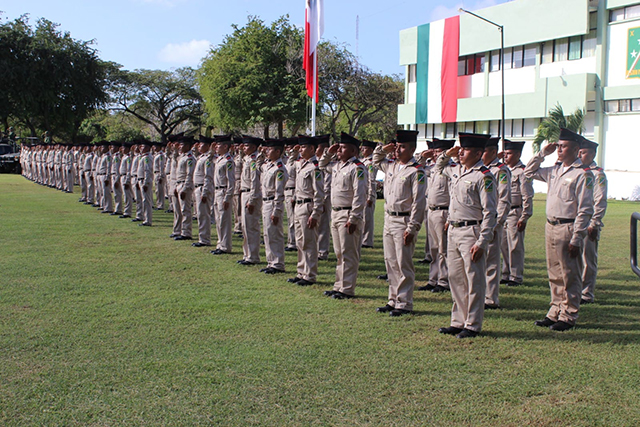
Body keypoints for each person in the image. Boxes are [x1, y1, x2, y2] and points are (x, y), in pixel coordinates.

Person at [525, 128, 594, 332]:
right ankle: (555, 310)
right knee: (554, 272)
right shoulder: (554, 170)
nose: (559, 150)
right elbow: (528, 172)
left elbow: (585, 208)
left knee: (570, 273)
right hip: (551, 226)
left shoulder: (582, 174)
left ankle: (569, 314)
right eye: (558, 146)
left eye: (563, 147)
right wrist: (542, 154)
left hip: (568, 227)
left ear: (575, 149)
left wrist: (577, 237)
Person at [435, 132, 497, 338]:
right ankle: (458, 320)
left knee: (473, 279)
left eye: (466, 149)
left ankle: (472, 324)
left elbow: (490, 212)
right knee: (455, 277)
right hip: (452, 230)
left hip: (472, 231)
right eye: (461, 148)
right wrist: (447, 153)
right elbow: (437, 168)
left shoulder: (484, 176)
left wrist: (482, 241)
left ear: (479, 153)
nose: (461, 152)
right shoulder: (456, 171)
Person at [373, 130, 426, 316]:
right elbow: (375, 160)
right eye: (397, 146)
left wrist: (413, 227)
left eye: (402, 146)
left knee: (404, 263)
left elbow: (419, 203)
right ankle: (393, 299)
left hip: (404, 220)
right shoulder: (391, 166)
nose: (398, 150)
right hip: (389, 218)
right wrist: (383, 148)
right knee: (391, 262)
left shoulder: (417, 171)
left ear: (412, 149)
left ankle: (404, 303)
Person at [319, 132, 368, 299]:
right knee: (339, 253)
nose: (339, 149)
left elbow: (359, 195)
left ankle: (347, 289)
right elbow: (321, 164)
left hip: (348, 213)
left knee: (349, 253)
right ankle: (339, 285)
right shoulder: (337, 166)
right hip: (336, 212)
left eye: (343, 147)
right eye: (338, 147)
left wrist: (354, 217)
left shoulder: (358, 168)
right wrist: (329, 152)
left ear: (353, 150)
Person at [417, 138, 455, 293]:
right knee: (433, 249)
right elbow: (417, 166)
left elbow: (454, 195)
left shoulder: (452, 169)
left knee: (443, 249)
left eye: (439, 152)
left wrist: (450, 217)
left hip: (443, 212)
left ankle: (444, 281)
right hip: (431, 211)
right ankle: (433, 279)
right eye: (435, 152)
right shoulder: (433, 169)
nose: (436, 155)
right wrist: (424, 156)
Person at [287, 135, 325, 286]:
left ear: (311, 149)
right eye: (300, 147)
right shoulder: (300, 164)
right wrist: (293, 153)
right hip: (299, 206)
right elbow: (289, 168)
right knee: (300, 241)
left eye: (303, 147)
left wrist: (315, 213)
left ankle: (309, 274)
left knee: (309, 241)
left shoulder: (315, 167)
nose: (301, 150)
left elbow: (319, 193)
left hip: (308, 206)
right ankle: (301, 271)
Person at [500, 140, 534, 287]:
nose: (505, 156)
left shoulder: (522, 172)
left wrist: (524, 216)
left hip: (515, 211)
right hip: (503, 212)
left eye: (509, 154)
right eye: (505, 153)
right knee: (503, 245)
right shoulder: (503, 170)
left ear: (518, 154)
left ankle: (516, 276)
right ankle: (506, 273)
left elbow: (527, 195)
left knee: (515, 246)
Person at [482, 137, 511, 310]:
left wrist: (496, 223)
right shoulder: (480, 170)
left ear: (493, 152)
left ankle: (491, 298)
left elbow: (504, 200)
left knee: (491, 261)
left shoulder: (501, 171)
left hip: (492, 223)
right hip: (479, 221)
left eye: (484, 151)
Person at [578, 136, 607, 304]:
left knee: (588, 259)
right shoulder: (578, 172)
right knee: (575, 259)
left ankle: (587, 293)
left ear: (593, 154)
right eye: (579, 152)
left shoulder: (598, 174)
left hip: (589, 222)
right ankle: (576, 289)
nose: (580, 155)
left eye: (584, 152)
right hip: (576, 222)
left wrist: (595, 222)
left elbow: (600, 200)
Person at [259, 139, 289, 274]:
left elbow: (279, 191)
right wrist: (260, 153)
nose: (266, 151)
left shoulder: (280, 169)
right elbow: (257, 165)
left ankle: (277, 263)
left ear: (278, 151)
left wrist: (276, 210)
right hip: (265, 202)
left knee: (274, 233)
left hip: (273, 203)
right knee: (267, 234)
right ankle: (270, 261)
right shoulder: (267, 166)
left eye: (269, 149)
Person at [238, 136, 263, 265]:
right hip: (244, 193)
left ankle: (253, 256)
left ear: (253, 147)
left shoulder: (254, 160)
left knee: (251, 226)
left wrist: (252, 200)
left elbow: (255, 181)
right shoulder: (247, 159)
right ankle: (247, 254)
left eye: (246, 146)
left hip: (250, 194)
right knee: (245, 226)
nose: (244, 148)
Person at [211, 135, 236, 255]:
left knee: (224, 221)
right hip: (217, 192)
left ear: (226, 146)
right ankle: (220, 244)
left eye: (218, 145)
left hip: (223, 191)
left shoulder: (228, 161)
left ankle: (225, 246)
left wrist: (227, 197)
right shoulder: (219, 159)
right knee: (218, 219)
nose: (216, 147)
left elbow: (231, 181)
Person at [192, 136, 215, 247]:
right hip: (197, 187)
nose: (199, 146)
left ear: (208, 146)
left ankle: (205, 239)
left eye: (202, 144)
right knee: (200, 214)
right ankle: (202, 237)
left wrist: (205, 192)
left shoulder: (208, 159)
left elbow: (208, 176)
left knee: (204, 215)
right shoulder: (201, 157)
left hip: (202, 188)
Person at [173, 135, 196, 240]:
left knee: (185, 210)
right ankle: (178, 230)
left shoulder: (190, 158)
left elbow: (189, 174)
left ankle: (186, 232)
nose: (179, 146)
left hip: (184, 185)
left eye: (181, 144)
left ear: (187, 146)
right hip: (179, 183)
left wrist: (185, 188)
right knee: (178, 209)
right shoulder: (181, 156)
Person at [316, 135, 332, 261]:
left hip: (325, 197)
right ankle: (316, 249)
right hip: (316, 197)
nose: (316, 150)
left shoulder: (330, 163)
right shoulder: (317, 161)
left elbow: (327, 183)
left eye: (318, 147)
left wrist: (324, 200)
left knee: (323, 225)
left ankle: (322, 251)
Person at [360, 139, 378, 249]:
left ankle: (367, 241)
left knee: (367, 219)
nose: (362, 149)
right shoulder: (363, 161)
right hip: (362, 192)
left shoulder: (371, 163)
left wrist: (370, 195)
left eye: (365, 148)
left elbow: (372, 180)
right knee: (362, 218)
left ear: (371, 150)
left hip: (367, 193)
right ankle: (362, 239)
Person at [283, 138, 299, 252]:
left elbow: (299, 180)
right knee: (290, 218)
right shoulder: (289, 161)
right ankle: (291, 240)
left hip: (293, 191)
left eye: (290, 147)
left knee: (294, 219)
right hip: (286, 191)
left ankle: (293, 242)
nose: (288, 150)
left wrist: (295, 196)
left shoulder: (297, 161)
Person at [137, 140, 154, 226]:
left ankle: (148, 220)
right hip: (141, 180)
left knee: (146, 201)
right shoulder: (143, 156)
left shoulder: (147, 157)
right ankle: (145, 218)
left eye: (142, 147)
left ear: (147, 148)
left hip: (145, 181)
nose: (141, 148)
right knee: (143, 201)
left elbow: (148, 171)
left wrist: (146, 183)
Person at [119, 143, 134, 219]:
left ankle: (127, 212)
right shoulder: (124, 157)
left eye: (123, 148)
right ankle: (126, 211)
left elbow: (129, 169)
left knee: (127, 195)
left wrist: (127, 180)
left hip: (125, 176)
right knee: (125, 195)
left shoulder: (128, 158)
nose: (122, 150)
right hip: (122, 176)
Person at [110, 142, 124, 216]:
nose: (112, 149)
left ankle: (118, 209)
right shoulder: (114, 155)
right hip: (114, 175)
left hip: (116, 175)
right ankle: (116, 208)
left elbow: (118, 167)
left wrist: (117, 179)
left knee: (117, 193)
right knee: (115, 194)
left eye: (113, 147)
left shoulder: (117, 156)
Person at [153, 143, 166, 210]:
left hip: (159, 173)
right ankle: (158, 204)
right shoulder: (156, 155)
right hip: (155, 173)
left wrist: (161, 176)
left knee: (160, 190)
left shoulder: (161, 155)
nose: (154, 148)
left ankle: (161, 205)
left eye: (156, 146)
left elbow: (161, 166)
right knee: (157, 190)